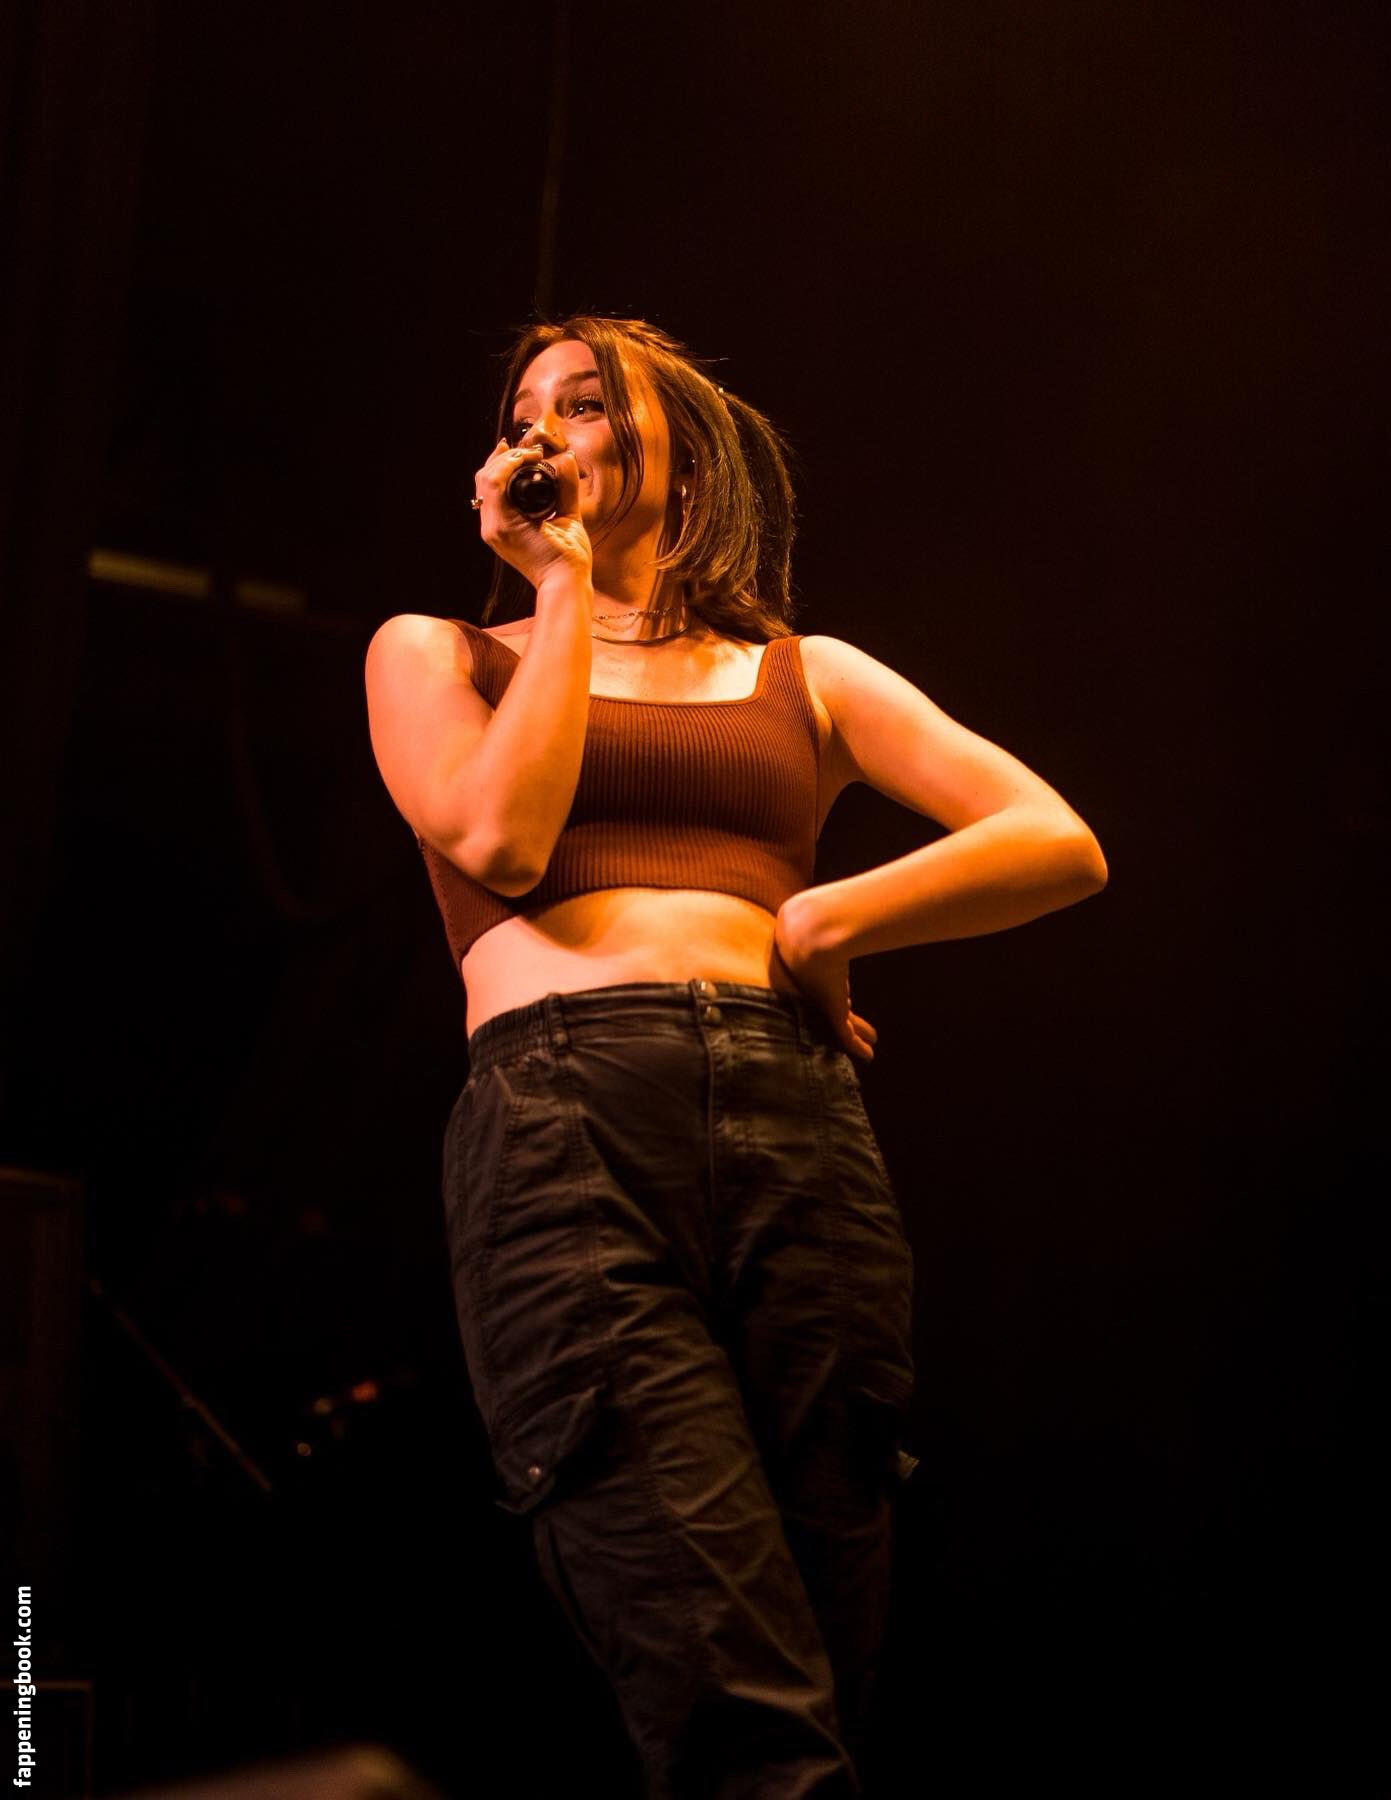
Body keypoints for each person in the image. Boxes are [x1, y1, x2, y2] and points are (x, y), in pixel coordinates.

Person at [364, 315, 1107, 1798]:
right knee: (726, 1677)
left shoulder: (799, 671)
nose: (541, 431)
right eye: (521, 413)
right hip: (567, 1120)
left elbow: (1055, 838)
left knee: (832, 1641)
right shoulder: (438, 652)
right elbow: (499, 839)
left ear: (681, 459)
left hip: (795, 1119)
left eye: (585, 403)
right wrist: (561, 585)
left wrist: (828, 917)